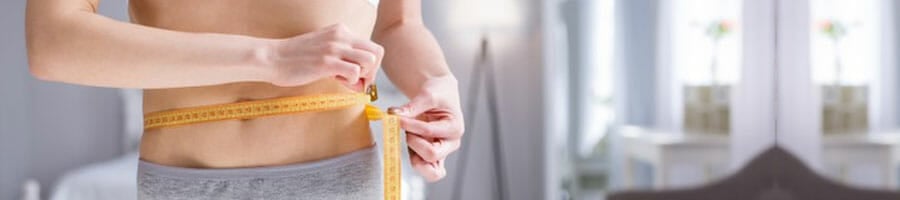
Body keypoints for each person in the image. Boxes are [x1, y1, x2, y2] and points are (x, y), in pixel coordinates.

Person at [25, 0, 464, 199]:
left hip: (340, 180)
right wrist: (271, 57)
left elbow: (398, 23)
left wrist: (437, 81)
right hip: (184, 182)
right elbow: (52, 42)